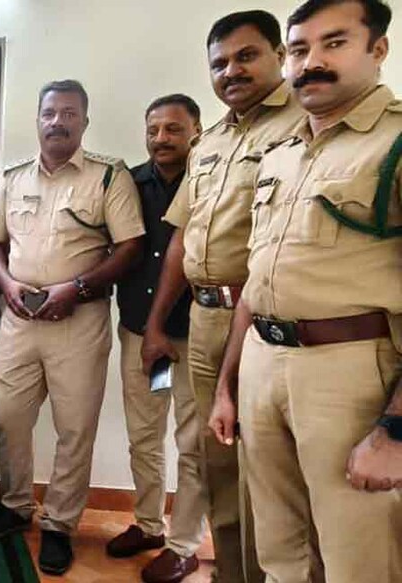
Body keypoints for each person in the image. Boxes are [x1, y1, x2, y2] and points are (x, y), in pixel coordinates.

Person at [210, 1, 402, 580]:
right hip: (263, 365)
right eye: (299, 50)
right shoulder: (283, 155)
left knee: (356, 554)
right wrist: (228, 384)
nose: (312, 62)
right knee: (279, 547)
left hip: (347, 372)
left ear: (377, 50)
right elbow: (257, 279)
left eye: (334, 43)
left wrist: (395, 430)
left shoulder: (393, 145)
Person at [143, 11, 304, 583]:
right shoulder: (211, 140)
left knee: (267, 469)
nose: (231, 71)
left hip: (263, 322)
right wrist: (158, 322)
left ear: (280, 55)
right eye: (219, 63)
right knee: (218, 467)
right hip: (205, 322)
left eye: (245, 56)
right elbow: (183, 239)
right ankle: (232, 572)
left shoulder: (304, 125)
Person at [0, 80, 145, 576]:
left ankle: (59, 525)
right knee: (9, 417)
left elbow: (130, 246)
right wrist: (6, 284)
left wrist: (77, 289)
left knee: (74, 427)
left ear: (84, 122)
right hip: (20, 317)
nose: (58, 121)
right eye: (50, 112)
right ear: (38, 118)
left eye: (69, 113)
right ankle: (16, 505)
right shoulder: (14, 176)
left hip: (79, 318)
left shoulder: (108, 177)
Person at [107, 95, 205, 583]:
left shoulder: (209, 180)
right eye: (153, 130)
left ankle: (185, 543)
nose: (161, 139)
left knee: (192, 443)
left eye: (173, 129)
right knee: (144, 436)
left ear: (196, 131)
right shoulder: (128, 182)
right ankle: (149, 525)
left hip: (195, 336)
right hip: (139, 335)